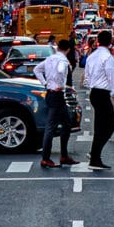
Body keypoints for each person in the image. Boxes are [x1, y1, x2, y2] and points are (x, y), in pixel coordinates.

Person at [37, 37, 79, 169]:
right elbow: (61, 70)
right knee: (51, 127)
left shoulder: (50, 58)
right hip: (57, 94)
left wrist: (46, 83)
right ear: (68, 49)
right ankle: (46, 158)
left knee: (66, 124)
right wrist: (61, 84)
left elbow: (36, 70)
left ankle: (64, 155)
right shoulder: (63, 60)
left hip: (50, 93)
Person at [82, 28, 114, 171]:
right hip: (103, 93)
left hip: (94, 92)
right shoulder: (108, 57)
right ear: (110, 42)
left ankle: (95, 157)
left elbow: (87, 75)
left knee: (100, 126)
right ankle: (94, 153)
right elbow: (112, 76)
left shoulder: (92, 56)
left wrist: (89, 83)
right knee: (111, 124)